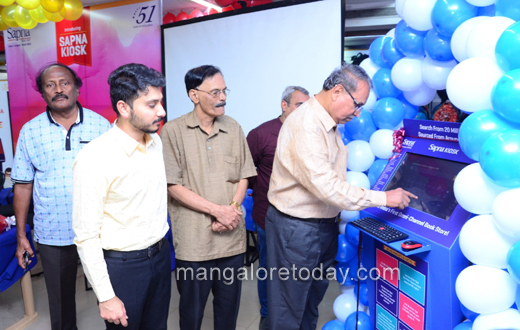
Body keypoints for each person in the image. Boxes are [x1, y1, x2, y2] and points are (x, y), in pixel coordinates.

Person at [266, 63, 417, 330]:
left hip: (319, 227)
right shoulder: (307, 125)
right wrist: (385, 199)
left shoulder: (329, 123)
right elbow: (328, 187)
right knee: (289, 309)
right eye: (356, 104)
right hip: (297, 229)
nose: (358, 114)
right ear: (337, 91)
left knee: (309, 304)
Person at [72, 63, 171, 329]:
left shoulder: (155, 142)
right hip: (124, 267)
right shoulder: (94, 158)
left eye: (160, 102)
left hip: (161, 257)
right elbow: (86, 235)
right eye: (152, 104)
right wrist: (105, 296)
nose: (161, 111)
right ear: (124, 108)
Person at [12, 63, 111, 330]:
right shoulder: (30, 132)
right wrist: (21, 235)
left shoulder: (101, 126)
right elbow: (22, 185)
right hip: (53, 233)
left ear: (77, 87)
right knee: (61, 304)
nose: (58, 89)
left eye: (65, 83)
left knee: (114, 296)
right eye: (50, 85)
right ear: (42, 93)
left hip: (100, 230)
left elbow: (116, 179)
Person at [161, 64, 256, 330]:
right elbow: (172, 186)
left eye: (224, 91)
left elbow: (244, 176)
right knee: (191, 314)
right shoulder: (173, 131)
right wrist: (217, 211)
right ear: (194, 95)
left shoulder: (233, 127)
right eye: (215, 92)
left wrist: (232, 209)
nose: (222, 97)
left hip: (232, 240)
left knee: (228, 312)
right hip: (194, 243)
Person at [246, 85, 310, 330]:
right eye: (299, 105)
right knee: (269, 267)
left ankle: (292, 313)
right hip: (268, 216)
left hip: (302, 219)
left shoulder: (310, 133)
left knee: (296, 270)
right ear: (284, 106)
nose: (304, 111)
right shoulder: (261, 134)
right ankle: (266, 312)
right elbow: (246, 172)